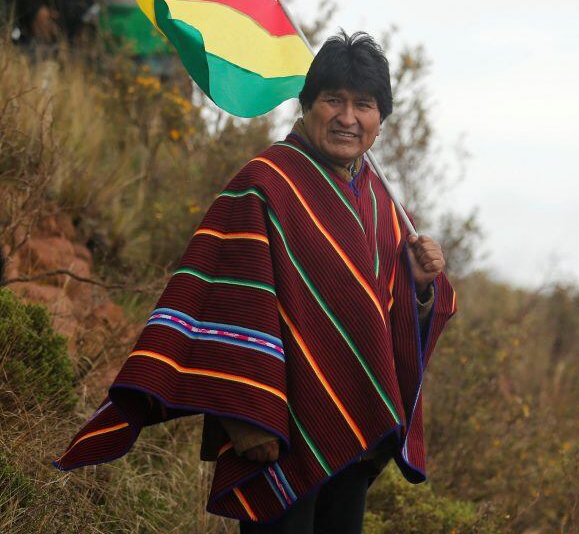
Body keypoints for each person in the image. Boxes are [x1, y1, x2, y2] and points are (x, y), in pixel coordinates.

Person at [55, 31, 457, 534]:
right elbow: (226, 301)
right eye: (333, 100)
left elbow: (392, 313)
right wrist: (245, 419)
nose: (348, 117)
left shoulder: (383, 205)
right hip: (276, 432)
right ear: (308, 105)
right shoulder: (265, 183)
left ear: (381, 120)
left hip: (356, 432)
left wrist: (422, 287)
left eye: (364, 105)